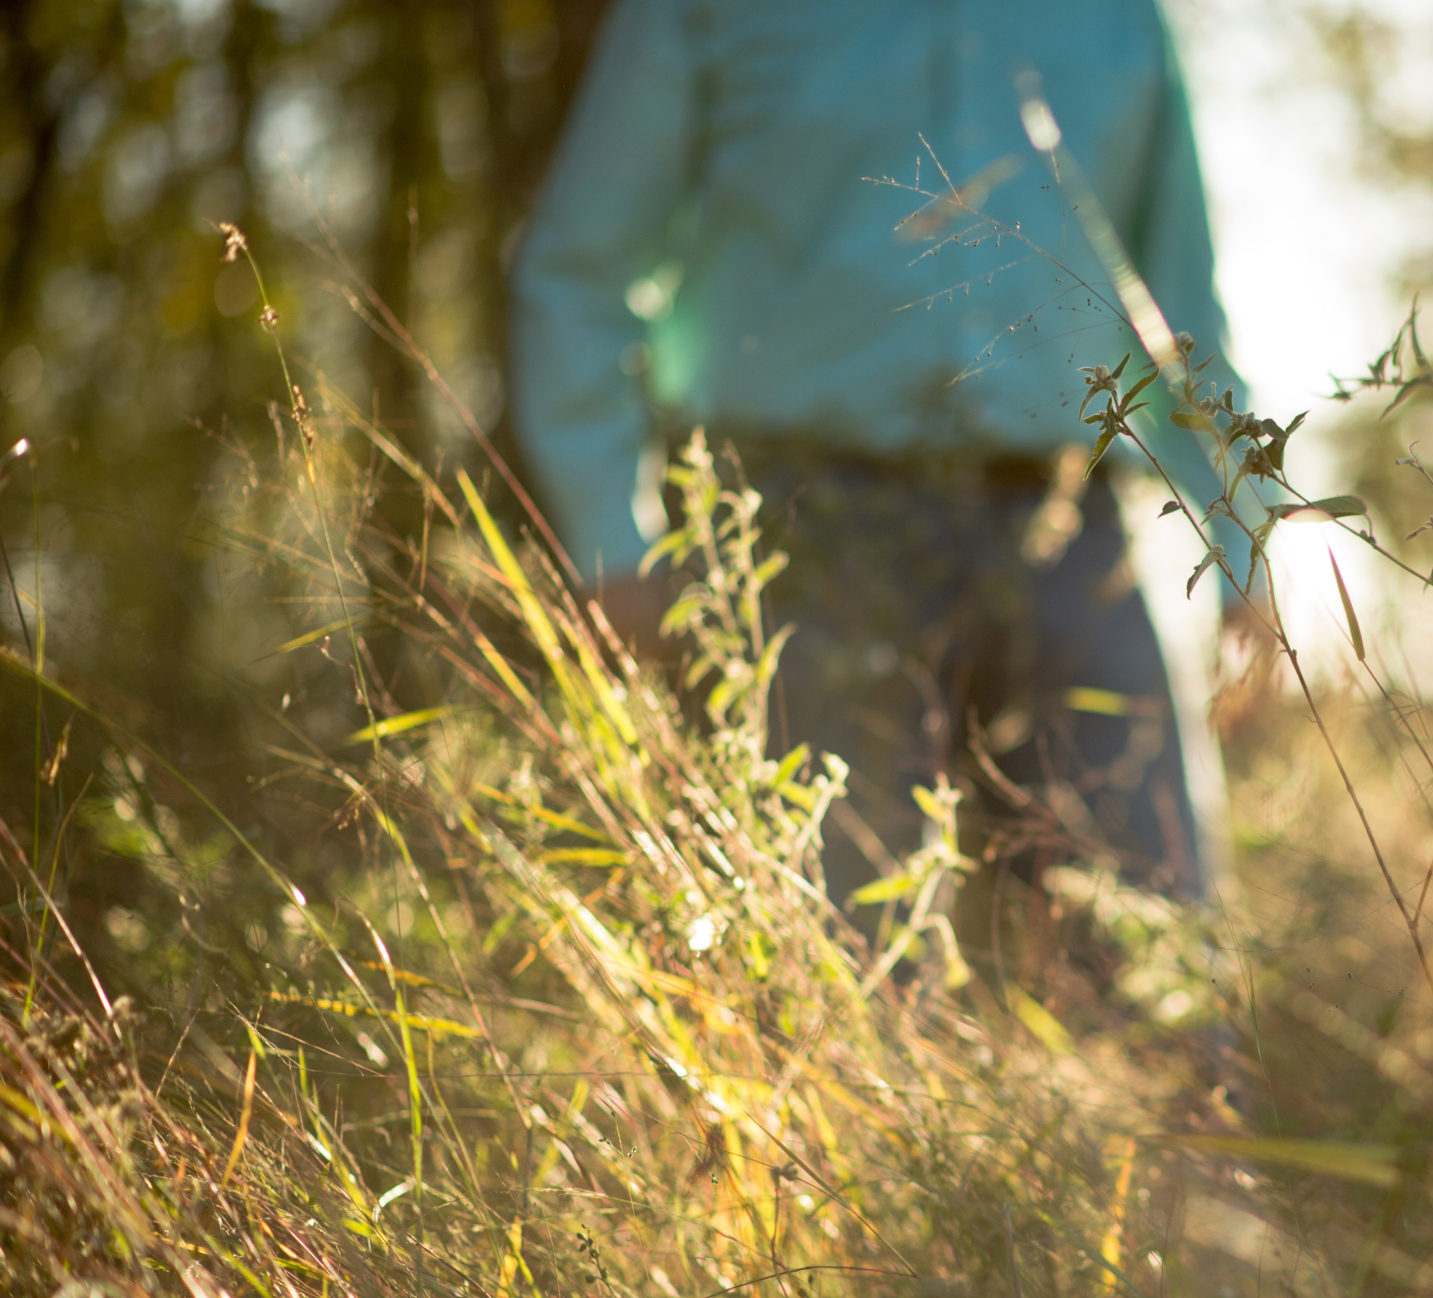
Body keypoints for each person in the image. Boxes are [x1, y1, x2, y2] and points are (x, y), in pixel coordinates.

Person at [508, 0, 1252, 905]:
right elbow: (577, 273)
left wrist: (1242, 552)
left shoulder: (1122, 17)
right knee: (837, 960)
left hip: (1083, 541)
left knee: (1152, 950)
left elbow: (1184, 315)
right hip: (799, 541)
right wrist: (610, 542)